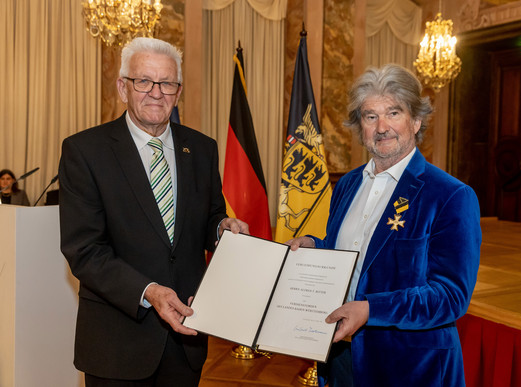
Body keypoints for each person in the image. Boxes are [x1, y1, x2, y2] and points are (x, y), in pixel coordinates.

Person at [59, 37, 248, 387]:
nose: (156, 92)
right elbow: (84, 251)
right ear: (122, 87)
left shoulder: (202, 148)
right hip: (117, 343)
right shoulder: (85, 151)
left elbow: (208, 218)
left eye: (167, 83)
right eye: (143, 81)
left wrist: (222, 228)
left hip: (187, 337)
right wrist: (149, 291)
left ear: (178, 91)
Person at [287, 64, 481, 386]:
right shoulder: (347, 185)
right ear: (359, 126)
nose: (382, 127)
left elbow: (450, 296)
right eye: (370, 116)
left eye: (393, 113)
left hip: (409, 367)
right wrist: (314, 245)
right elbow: (351, 253)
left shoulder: (450, 195)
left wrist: (369, 309)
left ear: (416, 121)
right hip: (339, 356)